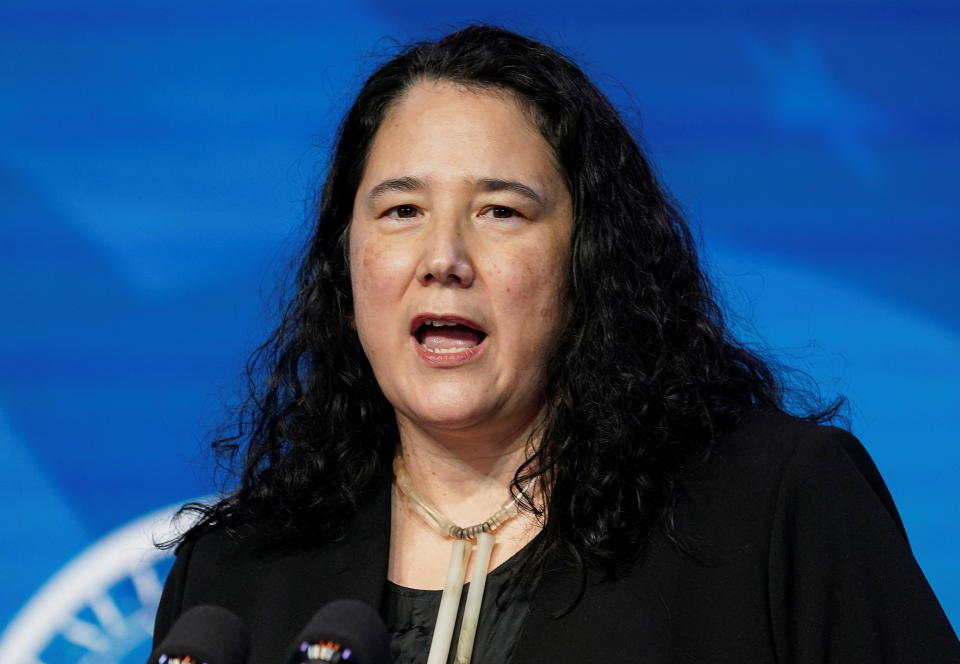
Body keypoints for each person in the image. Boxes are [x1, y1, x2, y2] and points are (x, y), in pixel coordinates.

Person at [153, 25, 960, 663]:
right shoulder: (233, 578)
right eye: (401, 211)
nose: (444, 259)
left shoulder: (773, 510)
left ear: (589, 258)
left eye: (501, 211)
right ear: (346, 260)